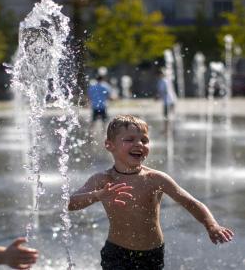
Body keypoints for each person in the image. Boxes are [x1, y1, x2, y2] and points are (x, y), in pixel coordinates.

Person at [68, 115, 234, 270]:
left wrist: (211, 225)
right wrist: (97, 196)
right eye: (130, 139)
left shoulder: (155, 179)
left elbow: (190, 202)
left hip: (152, 253)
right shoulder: (103, 180)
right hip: (117, 252)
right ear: (109, 145)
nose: (139, 144)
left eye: (144, 140)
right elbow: (70, 204)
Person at [155, 69, 177, 133]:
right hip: (172, 100)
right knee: (170, 115)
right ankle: (170, 129)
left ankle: (167, 129)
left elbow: (165, 91)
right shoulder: (166, 80)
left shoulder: (163, 81)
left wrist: (158, 96)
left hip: (168, 101)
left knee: (166, 115)